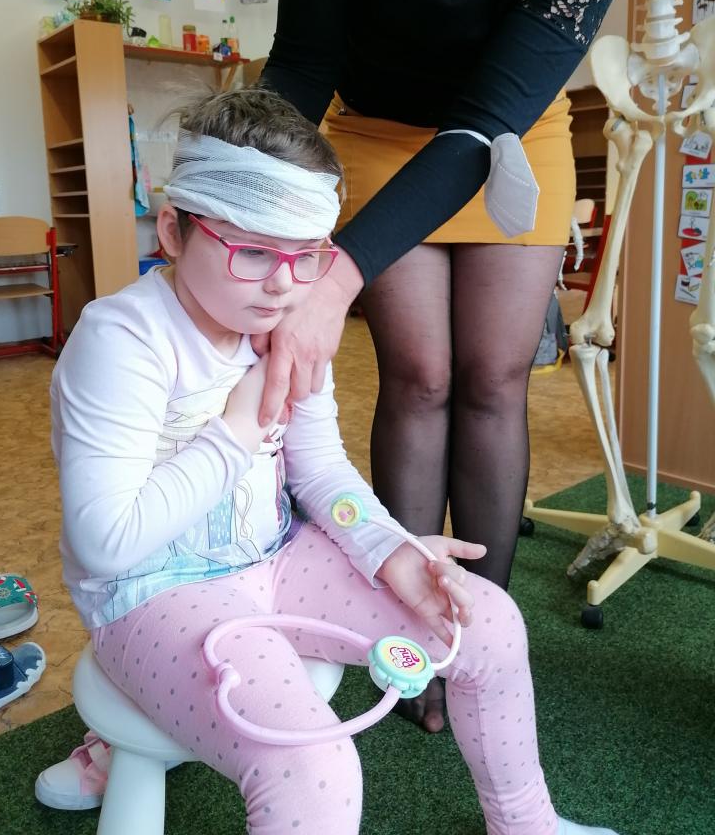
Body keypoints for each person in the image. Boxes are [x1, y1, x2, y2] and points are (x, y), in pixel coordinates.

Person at [40, 88, 621, 835]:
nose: (284, 283)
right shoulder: (121, 339)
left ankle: (526, 824)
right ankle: (120, 738)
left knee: (491, 623)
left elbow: (318, 470)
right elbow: (105, 542)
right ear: (174, 231)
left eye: (308, 255)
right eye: (253, 251)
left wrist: (389, 549)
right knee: (314, 768)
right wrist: (238, 430)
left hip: (275, 557)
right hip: (150, 591)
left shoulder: (284, 318)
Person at [253, 0, 693, 729]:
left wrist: (336, 279)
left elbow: (484, 122)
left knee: (495, 380)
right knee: (420, 377)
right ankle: (405, 636)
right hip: (374, 134)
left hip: (511, 139)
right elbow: (302, 60)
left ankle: (479, 639)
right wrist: (236, 204)